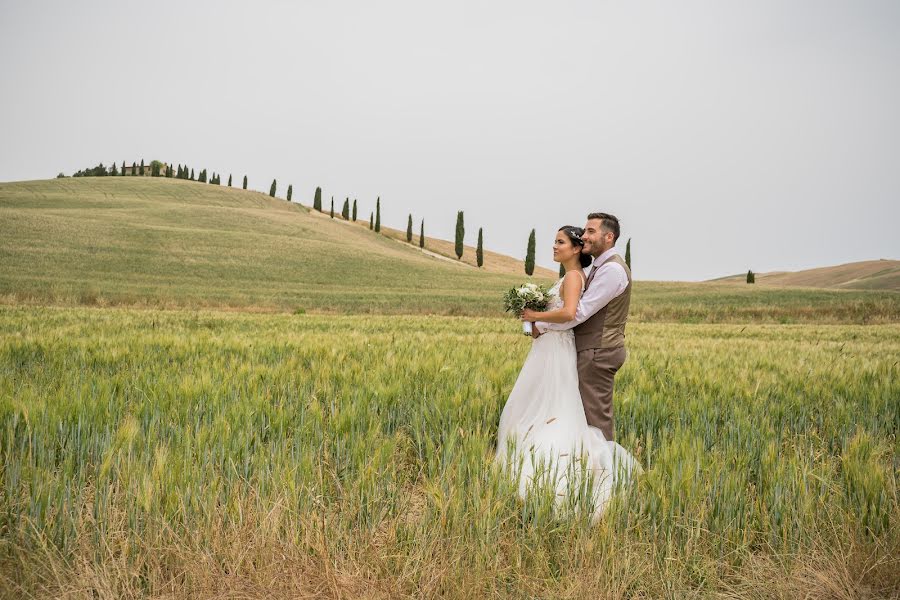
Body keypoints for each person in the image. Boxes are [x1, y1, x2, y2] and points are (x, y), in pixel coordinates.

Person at [496, 225, 640, 522]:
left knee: (562, 408)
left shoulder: (575, 277)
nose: (554, 246)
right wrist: (535, 324)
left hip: (560, 349)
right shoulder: (569, 276)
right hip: (550, 348)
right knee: (547, 405)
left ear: (575, 249)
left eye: (560, 242)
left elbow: (572, 313)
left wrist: (536, 318)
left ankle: (593, 479)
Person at [524, 213, 631, 442]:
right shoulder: (600, 267)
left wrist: (539, 322)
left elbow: (578, 312)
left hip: (599, 350)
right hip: (591, 348)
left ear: (609, 236)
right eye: (585, 231)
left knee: (596, 420)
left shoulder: (612, 270)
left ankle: (605, 473)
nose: (585, 236)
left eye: (591, 231)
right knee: (582, 415)